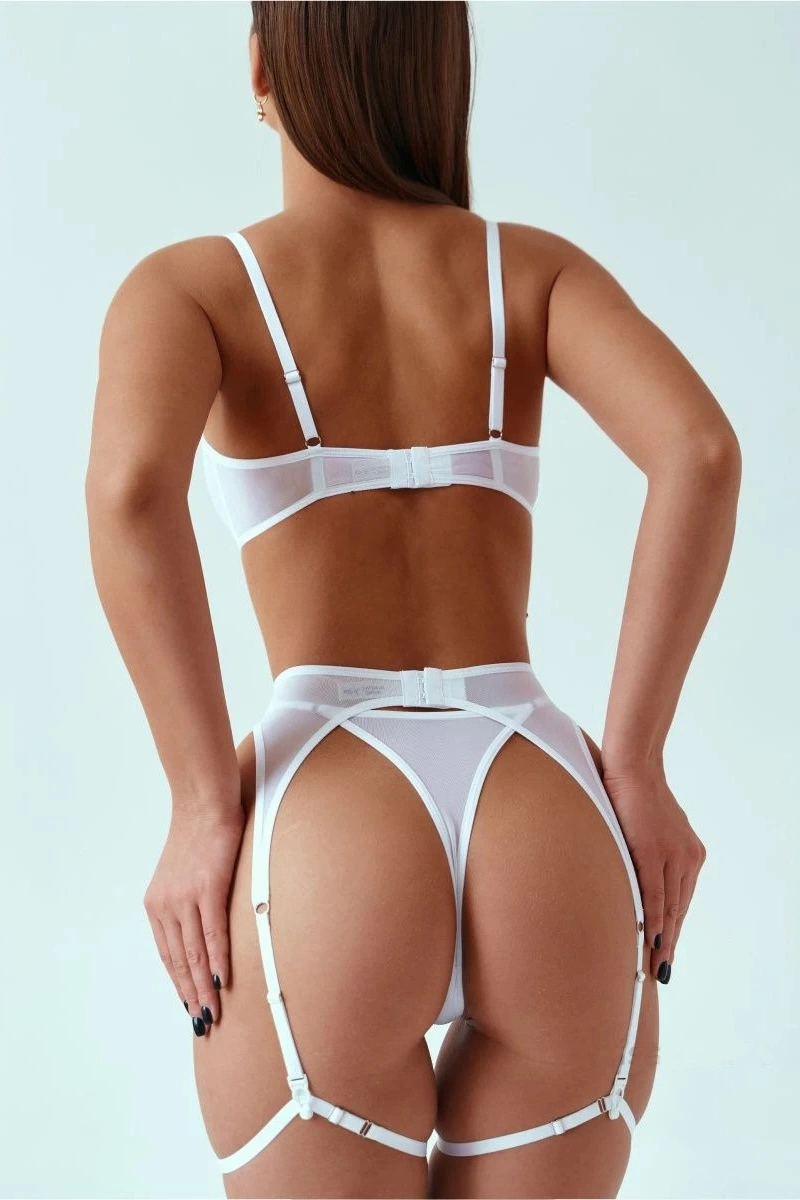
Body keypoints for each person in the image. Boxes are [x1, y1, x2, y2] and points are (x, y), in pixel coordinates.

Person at [85, 3, 741, 1197]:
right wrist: (637, 764)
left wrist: (198, 804)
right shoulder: (528, 269)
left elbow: (131, 493)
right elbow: (697, 452)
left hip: (327, 822)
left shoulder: (193, 289)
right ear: (440, 72)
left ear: (262, 64)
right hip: (541, 806)